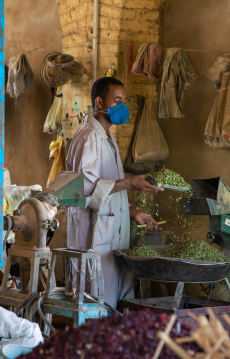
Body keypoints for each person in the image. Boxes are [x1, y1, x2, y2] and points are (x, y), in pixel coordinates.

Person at [65, 77, 163, 307]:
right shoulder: (89, 137)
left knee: (114, 300)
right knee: (95, 300)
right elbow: (86, 191)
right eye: (117, 100)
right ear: (100, 102)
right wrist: (129, 183)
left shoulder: (108, 138)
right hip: (92, 233)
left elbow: (111, 192)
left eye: (125, 100)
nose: (123, 106)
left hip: (112, 234)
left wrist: (134, 212)